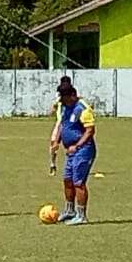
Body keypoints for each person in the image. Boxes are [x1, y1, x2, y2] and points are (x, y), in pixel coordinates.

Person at [57, 84, 96, 225]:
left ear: (73, 95)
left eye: (64, 96)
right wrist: (57, 140)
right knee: (67, 180)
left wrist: (77, 145)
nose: (61, 99)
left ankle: (82, 215)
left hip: (83, 150)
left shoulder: (83, 109)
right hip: (70, 151)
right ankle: (69, 210)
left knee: (78, 182)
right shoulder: (64, 107)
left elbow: (90, 131)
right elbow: (63, 124)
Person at [49, 75, 74, 177]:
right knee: (53, 143)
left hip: (68, 122)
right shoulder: (59, 96)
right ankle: (52, 164)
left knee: (72, 144)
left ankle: (73, 165)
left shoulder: (72, 94)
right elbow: (53, 108)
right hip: (60, 122)